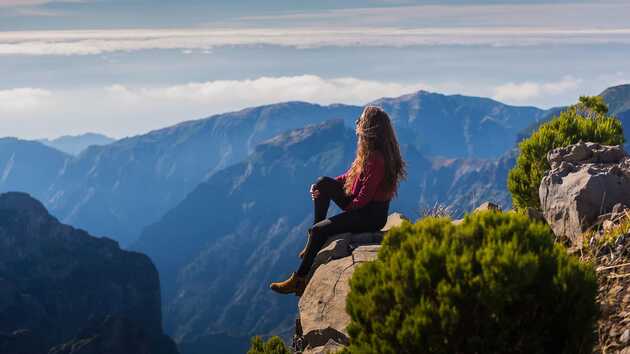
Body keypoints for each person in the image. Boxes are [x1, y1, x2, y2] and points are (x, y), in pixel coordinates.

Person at [269, 106, 407, 296]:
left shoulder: (377, 158)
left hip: (370, 215)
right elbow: (349, 175)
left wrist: (342, 217)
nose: (358, 123)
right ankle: (313, 242)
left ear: (369, 126)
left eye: (361, 120)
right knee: (322, 183)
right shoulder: (370, 151)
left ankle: (298, 279)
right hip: (361, 206)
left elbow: (364, 198)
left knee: (319, 231)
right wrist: (321, 188)